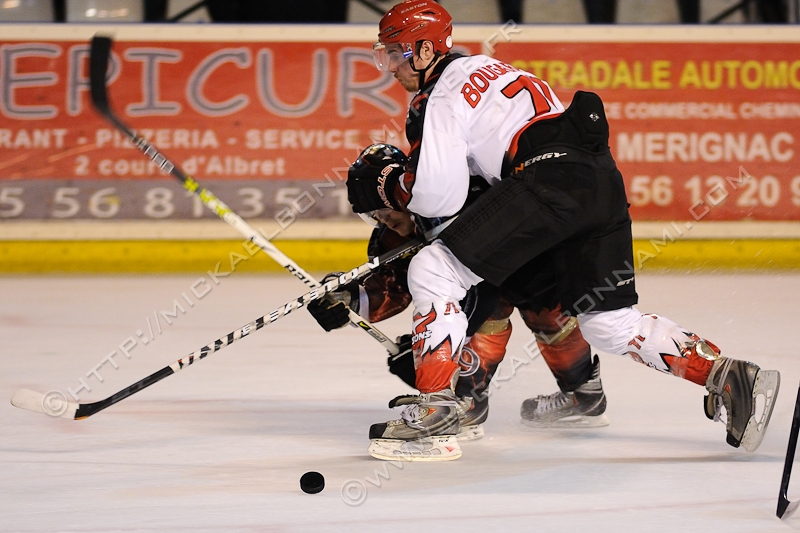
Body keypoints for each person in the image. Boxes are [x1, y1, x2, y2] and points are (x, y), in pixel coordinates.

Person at [345, 0, 780, 461]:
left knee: (435, 269)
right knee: (610, 323)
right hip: (598, 179)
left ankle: (436, 412)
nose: (390, 66)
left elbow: (438, 198)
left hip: (545, 179)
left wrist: (387, 184)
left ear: (425, 50)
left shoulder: (439, 94)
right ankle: (731, 376)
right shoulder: (493, 70)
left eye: (394, 53)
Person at [307, 144, 610, 452]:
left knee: (542, 309)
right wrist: (349, 298)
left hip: (535, 257)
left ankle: (582, 393)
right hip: (498, 271)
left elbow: (481, 293)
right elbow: (393, 286)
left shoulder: (455, 196)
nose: (382, 220)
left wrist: (432, 352)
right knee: (485, 313)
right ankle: (464, 403)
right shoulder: (392, 233)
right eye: (372, 216)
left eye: (383, 209)